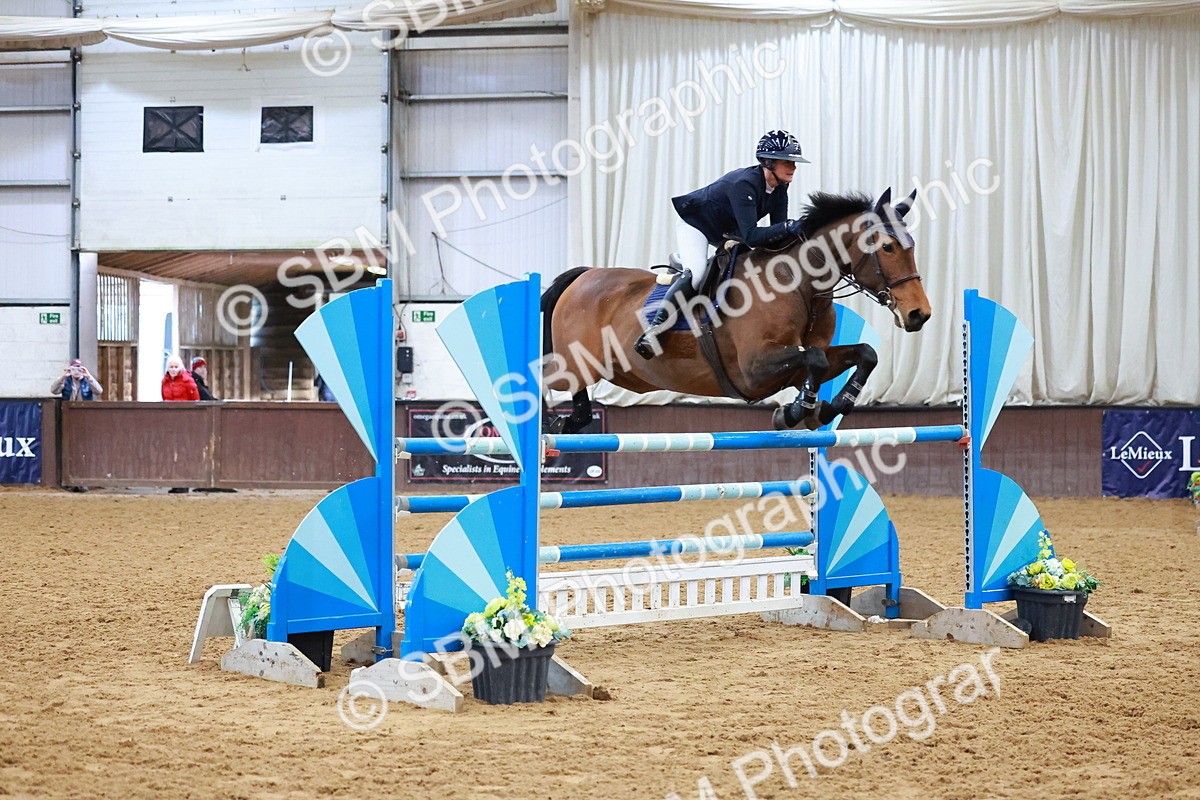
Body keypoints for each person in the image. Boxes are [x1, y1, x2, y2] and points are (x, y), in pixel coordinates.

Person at [634, 129, 811, 359]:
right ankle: (654, 329)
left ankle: (684, 260)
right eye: (787, 161)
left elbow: (777, 233)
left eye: (794, 162)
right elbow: (752, 235)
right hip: (697, 224)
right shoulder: (745, 184)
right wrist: (789, 227)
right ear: (768, 162)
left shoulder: (780, 188)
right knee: (697, 275)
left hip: (728, 230)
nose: (793, 167)